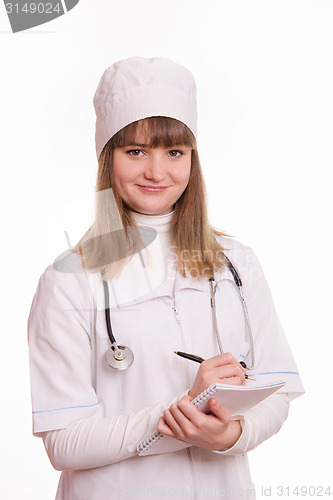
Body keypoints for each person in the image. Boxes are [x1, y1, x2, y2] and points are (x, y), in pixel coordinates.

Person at [28, 57, 304, 500]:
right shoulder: (70, 280)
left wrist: (230, 436)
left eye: (174, 152)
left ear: (192, 158)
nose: (157, 172)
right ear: (108, 158)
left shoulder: (236, 263)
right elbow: (64, 442)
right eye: (135, 151)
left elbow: (278, 390)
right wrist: (182, 414)